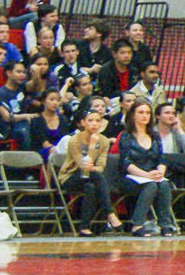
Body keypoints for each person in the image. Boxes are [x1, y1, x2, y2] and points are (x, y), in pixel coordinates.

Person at [117, 98, 177, 238]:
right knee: (150, 185)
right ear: (133, 115)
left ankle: (165, 225)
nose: (145, 115)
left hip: (152, 176)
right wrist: (146, 175)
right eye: (141, 112)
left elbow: (161, 159)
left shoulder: (154, 136)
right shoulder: (126, 136)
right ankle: (137, 225)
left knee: (164, 184)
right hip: (131, 177)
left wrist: (160, 173)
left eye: (147, 113)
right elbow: (126, 163)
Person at [56, 107, 119, 235]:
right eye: (90, 120)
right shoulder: (74, 140)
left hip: (92, 177)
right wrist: (92, 145)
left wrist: (93, 169)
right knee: (95, 176)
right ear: (83, 122)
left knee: (91, 186)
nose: (94, 124)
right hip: (71, 176)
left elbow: (101, 165)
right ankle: (110, 213)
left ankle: (84, 227)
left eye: (97, 120)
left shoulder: (104, 140)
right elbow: (83, 165)